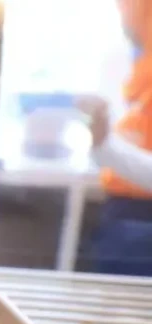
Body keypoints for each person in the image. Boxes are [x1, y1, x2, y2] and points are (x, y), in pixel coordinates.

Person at [80, 0, 152, 275]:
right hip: (126, 210)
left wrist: (105, 146)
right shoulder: (142, 68)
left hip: (142, 221)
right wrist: (103, 141)